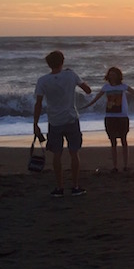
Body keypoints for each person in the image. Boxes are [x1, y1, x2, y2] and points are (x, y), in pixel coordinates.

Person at [80, 66, 134, 172]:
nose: (112, 76)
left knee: (124, 140)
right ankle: (115, 166)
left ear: (118, 76)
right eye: (110, 74)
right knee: (113, 142)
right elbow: (95, 99)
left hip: (122, 117)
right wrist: (83, 107)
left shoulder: (123, 86)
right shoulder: (106, 87)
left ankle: (125, 165)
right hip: (110, 117)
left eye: (114, 74)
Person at [33, 50, 92, 197]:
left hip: (54, 121)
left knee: (57, 155)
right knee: (74, 153)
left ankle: (59, 187)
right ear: (62, 61)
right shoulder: (70, 75)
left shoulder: (43, 80)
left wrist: (35, 123)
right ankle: (75, 186)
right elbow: (88, 90)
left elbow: (38, 103)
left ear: (49, 64)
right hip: (71, 118)